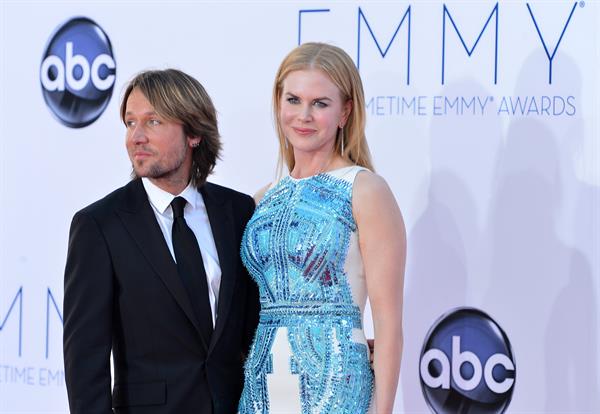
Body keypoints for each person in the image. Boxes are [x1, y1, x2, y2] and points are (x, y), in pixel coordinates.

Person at [63, 68, 259, 414]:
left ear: (194, 133)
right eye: (130, 123)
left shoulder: (238, 211)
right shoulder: (99, 226)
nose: (136, 137)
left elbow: (255, 328)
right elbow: (85, 364)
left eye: (153, 122)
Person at [238, 43, 406, 413]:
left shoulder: (365, 189)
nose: (304, 116)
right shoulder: (260, 199)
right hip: (261, 384)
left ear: (346, 111)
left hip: (336, 383)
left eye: (320, 104)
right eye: (294, 100)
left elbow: (389, 322)